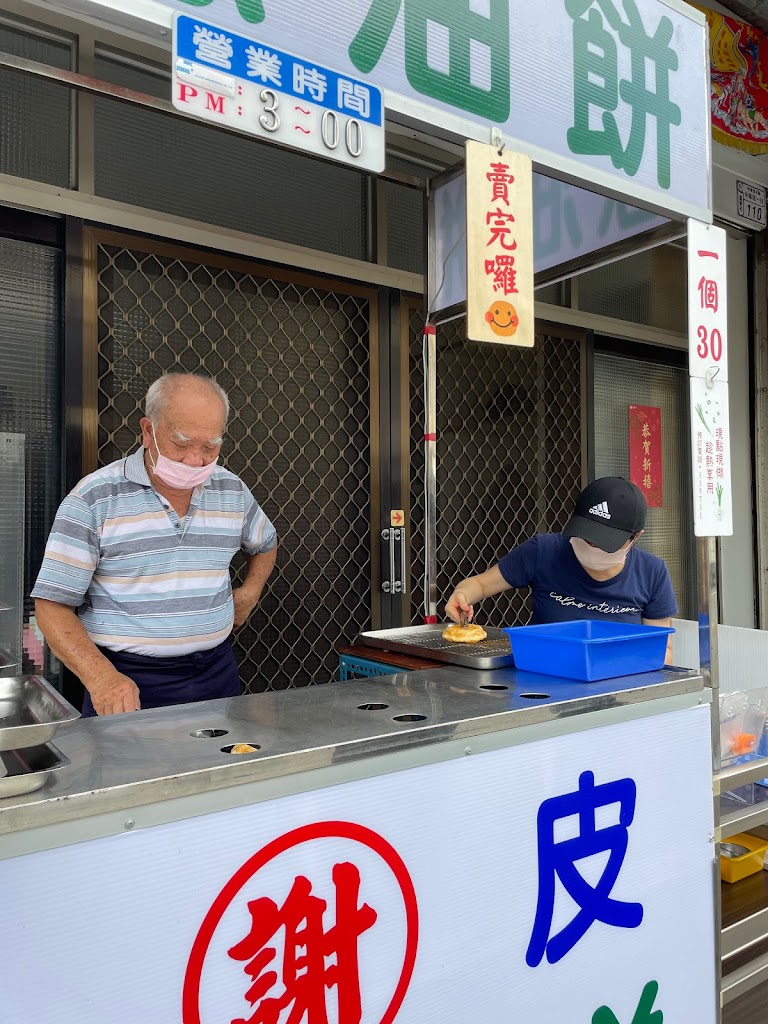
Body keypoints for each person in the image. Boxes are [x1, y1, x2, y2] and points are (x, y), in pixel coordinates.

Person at [32, 373, 277, 716]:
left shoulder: (230, 490)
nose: (196, 460)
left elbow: (265, 542)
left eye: (210, 446)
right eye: (181, 443)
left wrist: (249, 592)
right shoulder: (94, 498)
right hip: (127, 680)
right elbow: (51, 607)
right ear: (148, 431)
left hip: (216, 671)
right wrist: (101, 678)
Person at [446, 477, 677, 661]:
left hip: (618, 684)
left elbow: (661, 650)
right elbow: (480, 584)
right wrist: (462, 595)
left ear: (636, 537)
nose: (592, 546)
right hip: (543, 675)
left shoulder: (652, 572)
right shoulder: (544, 551)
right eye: (587, 536)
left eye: (604, 542)